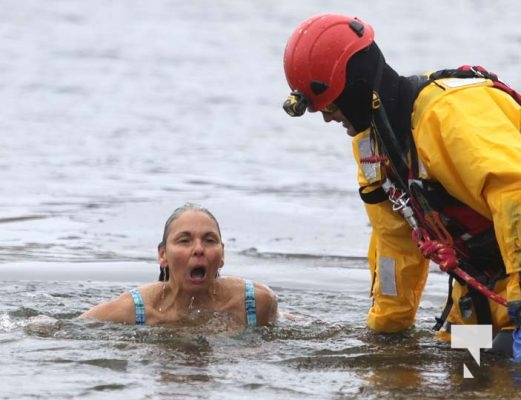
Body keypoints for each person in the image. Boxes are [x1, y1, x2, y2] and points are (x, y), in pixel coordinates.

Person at [281, 13, 521, 358]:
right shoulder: (374, 149)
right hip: (481, 288)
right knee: (464, 370)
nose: (327, 117)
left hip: (514, 285)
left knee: (505, 374)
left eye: (330, 104)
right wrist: (387, 332)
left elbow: (514, 191)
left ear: (354, 86)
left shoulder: (450, 113)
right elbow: (394, 244)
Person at [80, 203, 279, 328]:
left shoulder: (254, 304)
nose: (199, 249)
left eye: (209, 240)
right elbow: (74, 327)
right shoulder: (136, 310)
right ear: (163, 255)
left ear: (222, 255)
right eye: (185, 240)